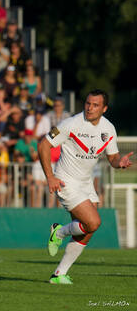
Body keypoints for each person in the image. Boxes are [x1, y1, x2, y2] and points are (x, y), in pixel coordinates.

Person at [38, 89, 133, 284]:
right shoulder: (71, 124)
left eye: (95, 105)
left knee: (87, 230)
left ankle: (59, 274)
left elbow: (112, 157)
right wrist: (50, 177)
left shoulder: (109, 129)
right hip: (66, 180)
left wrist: (119, 163)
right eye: (88, 103)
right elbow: (43, 145)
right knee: (94, 222)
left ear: (104, 108)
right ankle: (59, 232)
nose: (90, 108)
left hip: (86, 182)